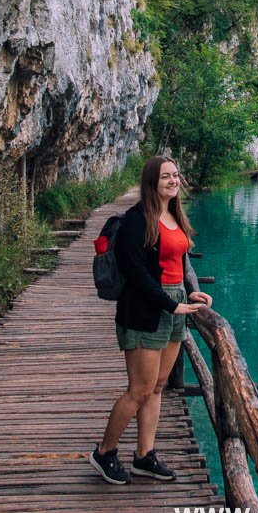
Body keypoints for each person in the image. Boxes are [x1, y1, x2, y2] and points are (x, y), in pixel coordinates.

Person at [89, 154, 213, 484]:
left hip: (175, 305)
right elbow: (136, 273)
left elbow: (179, 260)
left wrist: (191, 291)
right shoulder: (136, 220)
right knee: (139, 389)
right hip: (145, 310)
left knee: (157, 385)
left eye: (176, 175)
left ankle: (145, 455)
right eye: (165, 177)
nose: (173, 181)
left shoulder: (174, 214)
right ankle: (104, 452)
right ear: (151, 183)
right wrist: (169, 304)